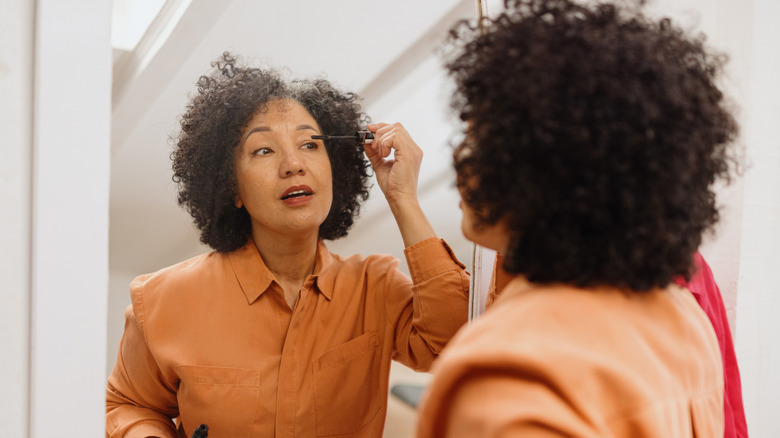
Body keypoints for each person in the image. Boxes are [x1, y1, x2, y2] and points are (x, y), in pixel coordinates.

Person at [415, 0, 739, 436]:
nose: (460, 159)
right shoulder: (682, 318)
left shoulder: (509, 376)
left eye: (477, 137)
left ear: (550, 165)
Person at [105, 52, 470, 438]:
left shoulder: (375, 287)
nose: (293, 164)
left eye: (311, 145)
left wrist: (403, 199)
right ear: (232, 189)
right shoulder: (162, 299)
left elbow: (452, 343)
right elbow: (129, 404)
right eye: (263, 150)